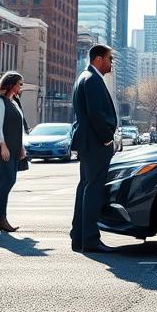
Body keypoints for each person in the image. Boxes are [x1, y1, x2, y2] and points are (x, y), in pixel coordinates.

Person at [70, 45, 119, 253]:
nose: (111, 63)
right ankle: (89, 239)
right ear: (99, 59)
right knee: (93, 190)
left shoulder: (85, 77)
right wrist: (108, 139)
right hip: (96, 144)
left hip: (89, 143)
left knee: (85, 188)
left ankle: (79, 236)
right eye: (110, 59)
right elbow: (95, 114)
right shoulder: (92, 80)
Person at [0, 72, 26, 233]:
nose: (20, 87)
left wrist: (21, 147)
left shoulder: (14, 102)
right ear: (11, 85)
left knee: (10, 181)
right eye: (19, 84)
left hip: (14, 149)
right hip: (1, 150)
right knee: (6, 181)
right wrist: (3, 145)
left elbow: (19, 127)